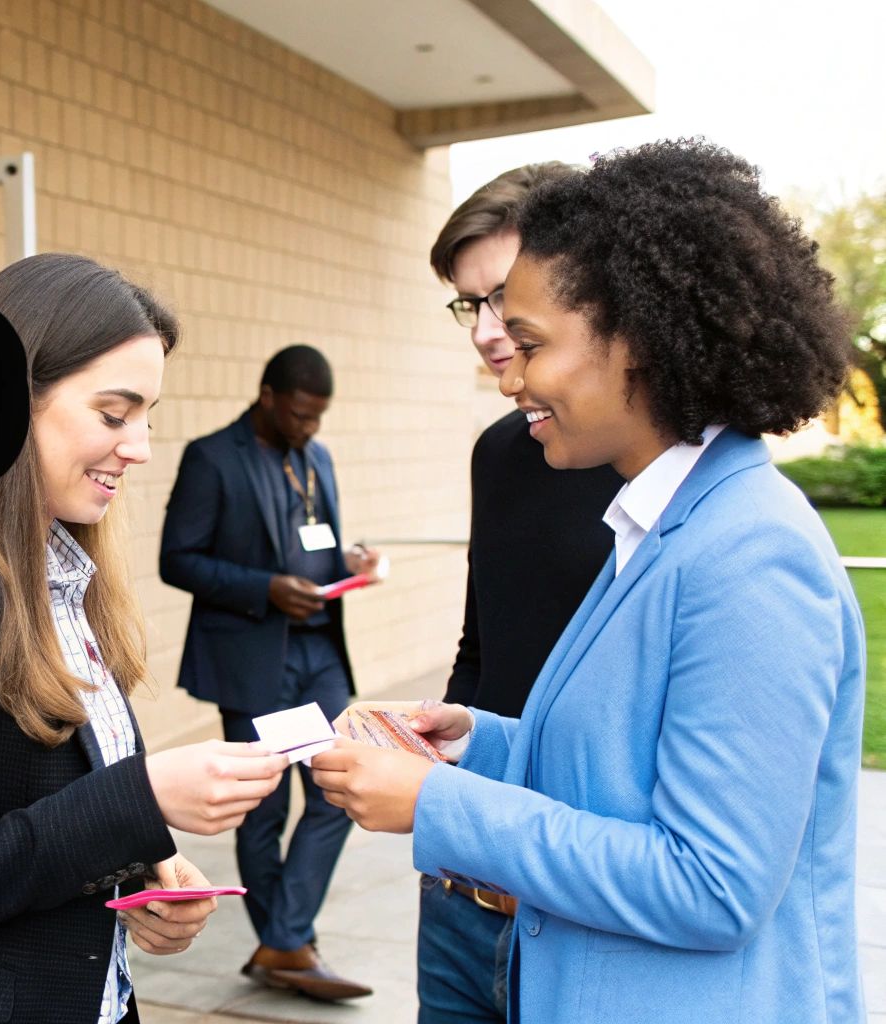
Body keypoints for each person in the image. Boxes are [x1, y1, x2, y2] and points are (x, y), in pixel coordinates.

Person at [311, 139, 864, 1022]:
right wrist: (477, 745)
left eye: (531, 342)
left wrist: (440, 804)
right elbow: (617, 765)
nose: (512, 375)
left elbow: (712, 886)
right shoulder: (656, 525)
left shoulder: (752, 554)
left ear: (637, 343)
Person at [0, 253, 290, 1024]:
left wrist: (141, 868)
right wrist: (141, 800)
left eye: (147, 416)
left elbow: (40, 809)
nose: (139, 447)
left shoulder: (63, 578)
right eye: (114, 413)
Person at [411, 163, 623, 1023]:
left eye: (502, 297)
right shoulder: (500, 450)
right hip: (464, 881)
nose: (486, 331)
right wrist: (434, 757)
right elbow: (484, 640)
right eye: (470, 305)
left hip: (583, 890)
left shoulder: (664, 469)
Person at [158, 345, 381, 1001]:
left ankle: (284, 939)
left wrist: (349, 561)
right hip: (256, 658)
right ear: (267, 397)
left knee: (341, 788)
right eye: (300, 414)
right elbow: (178, 559)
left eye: (318, 417)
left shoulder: (317, 458)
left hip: (321, 653)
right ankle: (287, 945)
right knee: (265, 806)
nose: (309, 427)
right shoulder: (212, 457)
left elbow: (316, 541)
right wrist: (266, 588)